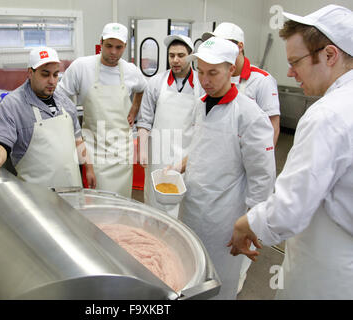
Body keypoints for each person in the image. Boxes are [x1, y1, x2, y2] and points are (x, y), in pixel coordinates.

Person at [228, 5, 353, 299]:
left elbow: (290, 207)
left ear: (330, 55)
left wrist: (246, 223)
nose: (289, 71)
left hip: (325, 270)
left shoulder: (328, 115)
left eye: (296, 61)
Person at [171, 36, 276, 299]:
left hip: (224, 217)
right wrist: (178, 167)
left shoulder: (249, 115)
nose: (205, 80)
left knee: (218, 280)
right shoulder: (200, 105)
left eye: (213, 73)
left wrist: (252, 223)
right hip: (192, 206)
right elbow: (200, 148)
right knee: (192, 272)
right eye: (201, 72)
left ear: (232, 70)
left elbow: (262, 176)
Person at [0, 47, 96, 190]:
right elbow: (0, 142)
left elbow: (78, 139)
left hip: (73, 189)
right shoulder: (12, 105)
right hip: (38, 199)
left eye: (56, 74)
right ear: (30, 73)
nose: (52, 81)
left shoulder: (65, 102)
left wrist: (89, 168)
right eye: (45, 75)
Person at [58, 23, 147, 198]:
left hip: (123, 150)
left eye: (118, 47)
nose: (113, 52)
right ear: (101, 43)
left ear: (125, 47)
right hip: (95, 148)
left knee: (123, 201)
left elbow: (142, 87)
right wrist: (71, 126)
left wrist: (135, 108)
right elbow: (60, 96)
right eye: (109, 46)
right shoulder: (82, 67)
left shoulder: (130, 70)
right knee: (99, 201)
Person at [136, 35, 201, 218]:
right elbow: (144, 120)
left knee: (183, 206)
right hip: (158, 153)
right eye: (171, 55)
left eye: (181, 55)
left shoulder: (201, 85)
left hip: (187, 154)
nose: (175, 60)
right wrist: (142, 148)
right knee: (156, 205)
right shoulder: (156, 83)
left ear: (191, 56)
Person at [204, 23, 281, 145]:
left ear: (240, 47)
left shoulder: (262, 80)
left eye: (223, 46)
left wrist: (263, 161)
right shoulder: (215, 78)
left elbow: (273, 126)